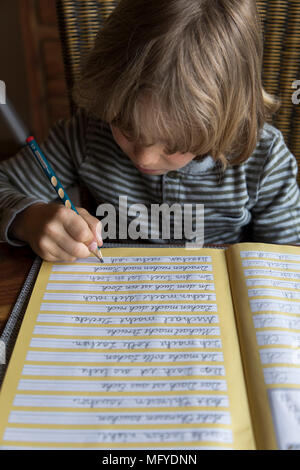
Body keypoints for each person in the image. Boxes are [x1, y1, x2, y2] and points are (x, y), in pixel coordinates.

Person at [0, 0, 300, 261]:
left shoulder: (265, 161)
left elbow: (287, 261)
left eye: (174, 145)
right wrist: (30, 219)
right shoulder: (87, 134)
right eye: (126, 127)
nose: (145, 157)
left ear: (224, 121)